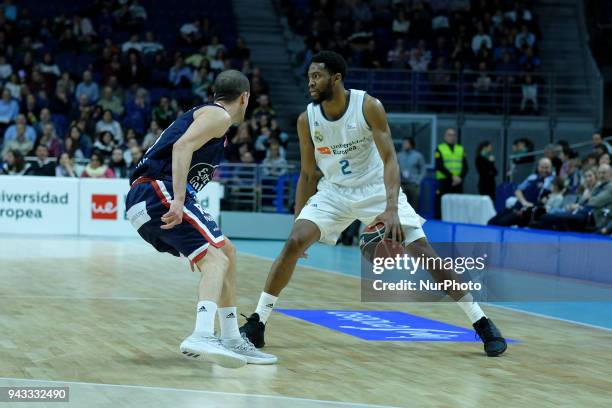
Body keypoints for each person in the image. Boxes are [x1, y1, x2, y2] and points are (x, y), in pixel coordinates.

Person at [239, 51, 506, 357]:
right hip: (333, 192)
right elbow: (307, 172)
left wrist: (391, 207)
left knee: (424, 252)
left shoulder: (368, 106)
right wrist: (299, 219)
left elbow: (390, 158)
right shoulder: (306, 119)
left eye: (317, 76)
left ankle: (481, 321)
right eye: (309, 77)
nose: (310, 82)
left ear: (336, 78)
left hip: (376, 190)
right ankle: (258, 323)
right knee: (293, 243)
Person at [125, 70, 276, 367]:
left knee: (227, 252)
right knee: (216, 260)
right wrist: (179, 200)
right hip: (158, 191)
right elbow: (182, 147)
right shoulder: (218, 116)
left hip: (147, 196)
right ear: (245, 98)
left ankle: (232, 338)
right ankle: (202, 334)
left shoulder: (207, 115)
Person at [488, 157, 554, 227]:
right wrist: (523, 202)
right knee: (491, 222)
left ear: (551, 168)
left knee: (501, 223)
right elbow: (518, 190)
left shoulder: (552, 180)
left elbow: (547, 198)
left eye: (547, 168)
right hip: (518, 206)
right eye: (542, 167)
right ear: (538, 167)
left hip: (528, 211)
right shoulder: (532, 177)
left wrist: (530, 206)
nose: (544, 170)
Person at [435, 128, 468, 218]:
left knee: (458, 205)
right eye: (449, 135)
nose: (452, 137)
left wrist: (460, 178)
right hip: (445, 181)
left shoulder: (460, 149)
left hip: (458, 183)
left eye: (453, 135)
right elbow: (439, 166)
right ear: (445, 137)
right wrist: (452, 177)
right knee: (441, 205)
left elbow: (465, 167)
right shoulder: (440, 149)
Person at [397, 136, 426, 209]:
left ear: (411, 144)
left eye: (406, 143)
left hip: (414, 184)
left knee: (414, 204)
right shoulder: (399, 156)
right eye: (403, 143)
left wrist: (418, 181)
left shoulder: (418, 156)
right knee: (402, 205)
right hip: (402, 184)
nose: (404, 145)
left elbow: (423, 170)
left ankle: (413, 220)